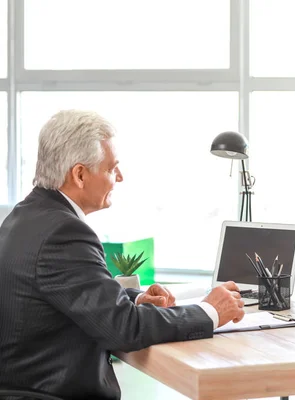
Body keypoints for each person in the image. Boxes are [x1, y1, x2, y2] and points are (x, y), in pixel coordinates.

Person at [0, 110, 245, 400]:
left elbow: (64, 292)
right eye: (111, 168)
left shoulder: (24, 216)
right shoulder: (63, 232)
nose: (120, 177)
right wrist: (211, 311)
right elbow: (124, 329)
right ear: (79, 174)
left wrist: (136, 298)